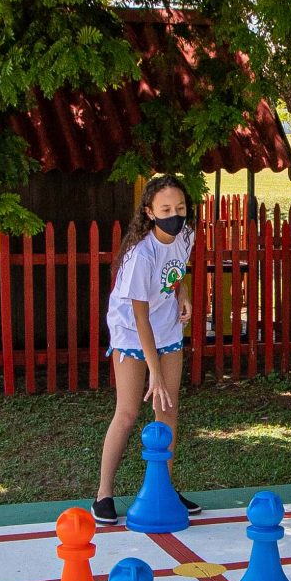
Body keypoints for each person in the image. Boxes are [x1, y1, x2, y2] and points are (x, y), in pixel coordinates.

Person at [94, 174, 202, 526]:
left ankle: (163, 489)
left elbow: (176, 274)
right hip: (131, 332)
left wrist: (183, 294)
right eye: (166, 209)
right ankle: (103, 494)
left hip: (167, 325)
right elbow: (139, 317)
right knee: (127, 412)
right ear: (150, 213)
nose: (175, 215)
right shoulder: (141, 255)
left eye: (180, 208)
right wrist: (153, 370)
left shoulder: (186, 234)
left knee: (167, 408)